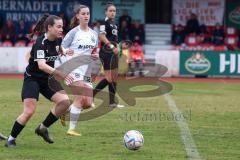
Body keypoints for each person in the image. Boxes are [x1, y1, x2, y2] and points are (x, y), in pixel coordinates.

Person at [5, 14, 72, 148]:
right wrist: (60, 73)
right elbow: (41, 65)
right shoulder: (40, 43)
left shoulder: (58, 39)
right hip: (33, 79)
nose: (61, 29)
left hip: (47, 80)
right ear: (49, 27)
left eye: (62, 27)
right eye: (58, 27)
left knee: (65, 102)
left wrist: (66, 52)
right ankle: (11, 139)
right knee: (29, 111)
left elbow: (59, 50)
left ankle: (42, 128)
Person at [61, 5, 99, 136]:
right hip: (72, 68)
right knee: (80, 97)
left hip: (86, 71)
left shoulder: (94, 34)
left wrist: (95, 57)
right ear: (77, 16)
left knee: (87, 103)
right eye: (83, 13)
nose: (86, 16)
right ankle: (71, 129)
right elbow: (60, 48)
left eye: (88, 13)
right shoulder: (73, 33)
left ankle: (64, 112)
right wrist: (66, 51)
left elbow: (94, 53)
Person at [93, 2, 125, 108]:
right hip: (106, 52)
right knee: (109, 78)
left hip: (114, 52)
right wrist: (111, 47)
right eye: (110, 11)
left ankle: (112, 103)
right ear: (106, 12)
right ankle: (91, 95)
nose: (112, 13)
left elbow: (114, 38)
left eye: (114, 11)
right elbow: (101, 36)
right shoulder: (103, 22)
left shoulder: (115, 24)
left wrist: (119, 47)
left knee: (114, 78)